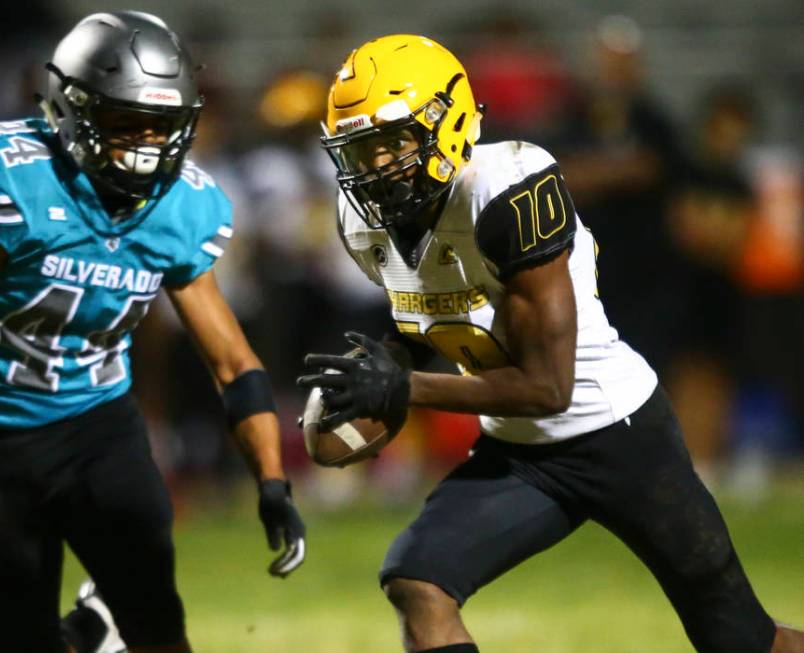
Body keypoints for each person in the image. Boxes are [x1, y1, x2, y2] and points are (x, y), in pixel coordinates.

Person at [298, 34, 803, 653]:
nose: (375, 167)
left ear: (447, 121)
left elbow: (547, 386)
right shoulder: (363, 224)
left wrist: (402, 388)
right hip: (520, 453)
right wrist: (377, 374)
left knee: (740, 641)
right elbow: (428, 327)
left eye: (391, 143)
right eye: (360, 149)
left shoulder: (507, 189)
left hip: (618, 434)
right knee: (418, 584)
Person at [0, 12, 305, 653]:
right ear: (71, 112)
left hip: (99, 428)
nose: (145, 146)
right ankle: (87, 631)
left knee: (159, 632)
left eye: (160, 127)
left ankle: (99, 625)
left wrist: (273, 480)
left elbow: (233, 362)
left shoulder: (180, 207)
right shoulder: (18, 175)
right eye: (124, 124)